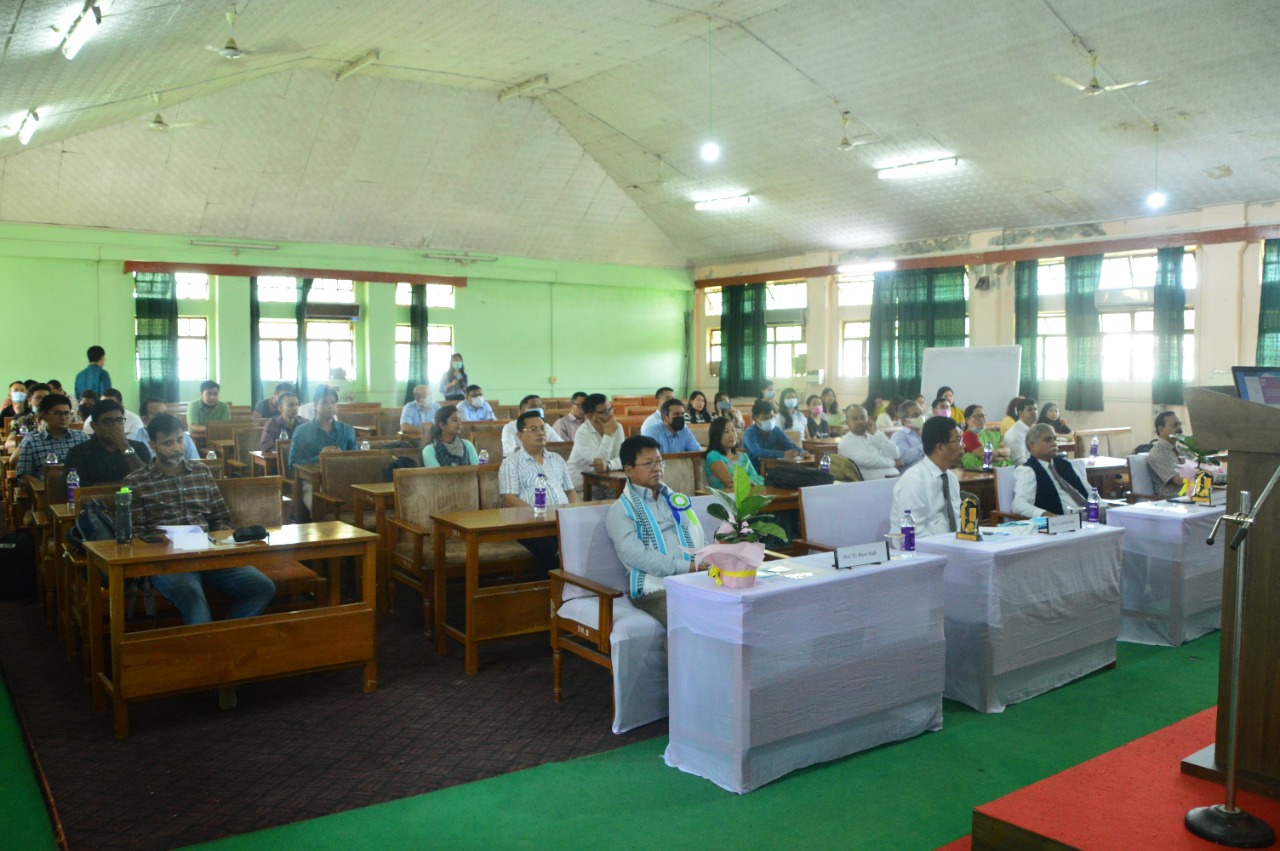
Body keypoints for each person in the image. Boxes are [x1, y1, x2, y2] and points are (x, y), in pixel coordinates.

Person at [126, 412, 276, 709]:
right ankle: (215, 677)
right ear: (153, 446)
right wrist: (164, 542)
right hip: (168, 561)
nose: (176, 448)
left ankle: (221, 649)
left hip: (209, 553)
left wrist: (221, 537)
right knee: (195, 600)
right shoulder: (136, 482)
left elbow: (220, 516)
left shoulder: (200, 472)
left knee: (262, 587)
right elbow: (136, 535)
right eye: (167, 443)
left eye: (179, 440)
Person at [606, 435, 706, 626]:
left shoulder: (675, 499)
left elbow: (697, 535)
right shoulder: (621, 510)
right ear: (629, 470)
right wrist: (686, 567)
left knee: (731, 607)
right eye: (648, 463)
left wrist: (710, 558)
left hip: (693, 576)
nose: (657, 468)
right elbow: (637, 556)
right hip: (655, 588)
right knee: (690, 618)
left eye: (659, 461)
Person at [499, 410, 578, 576]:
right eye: (533, 429)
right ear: (520, 436)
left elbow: (570, 491)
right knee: (549, 548)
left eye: (543, 428)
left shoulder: (557, 459)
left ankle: (581, 586)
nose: (540, 432)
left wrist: (575, 514)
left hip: (561, 521)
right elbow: (509, 498)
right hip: (529, 526)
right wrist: (537, 516)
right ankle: (551, 589)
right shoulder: (511, 462)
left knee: (585, 539)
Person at [890, 416, 964, 537]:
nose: (963, 445)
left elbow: (957, 519)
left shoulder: (950, 477)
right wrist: (945, 545)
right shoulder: (914, 480)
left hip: (951, 542)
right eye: (958, 440)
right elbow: (912, 534)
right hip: (922, 546)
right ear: (940, 447)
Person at [63, 398, 152, 485]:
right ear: (94, 426)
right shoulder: (78, 453)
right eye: (108, 421)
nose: (115, 426)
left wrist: (125, 446)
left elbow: (147, 480)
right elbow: (76, 488)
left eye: (119, 420)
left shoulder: (138, 447)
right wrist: (119, 485)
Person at [1012, 423, 1089, 518]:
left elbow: (1089, 491)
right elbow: (1019, 505)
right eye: (1048, 440)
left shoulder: (1065, 465)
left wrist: (1101, 507)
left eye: (1054, 439)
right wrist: (1045, 514)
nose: (1054, 444)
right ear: (1032, 445)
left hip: (1090, 516)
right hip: (1063, 521)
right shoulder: (1028, 470)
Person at [16, 394, 88, 480]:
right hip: (45, 487)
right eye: (57, 413)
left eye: (66, 413)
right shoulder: (32, 443)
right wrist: (41, 486)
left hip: (79, 486)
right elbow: (23, 475)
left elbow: (93, 466)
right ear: (44, 415)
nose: (63, 417)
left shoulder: (81, 438)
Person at [567, 393, 625, 491]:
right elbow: (598, 464)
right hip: (580, 488)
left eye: (610, 409)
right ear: (590, 416)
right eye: (605, 411)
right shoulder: (582, 433)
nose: (611, 414)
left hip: (607, 484)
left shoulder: (617, 427)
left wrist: (608, 465)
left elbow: (622, 459)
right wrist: (608, 435)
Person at [288, 386, 357, 467]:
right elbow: (293, 464)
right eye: (324, 402)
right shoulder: (302, 431)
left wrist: (341, 457)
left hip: (342, 473)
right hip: (313, 474)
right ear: (315, 406)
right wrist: (321, 457)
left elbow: (357, 459)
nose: (330, 406)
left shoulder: (347, 430)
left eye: (333, 403)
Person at [837, 404, 901, 479]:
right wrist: (893, 462)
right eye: (855, 419)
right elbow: (869, 461)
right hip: (873, 482)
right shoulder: (845, 443)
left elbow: (895, 454)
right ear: (847, 422)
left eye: (863, 417)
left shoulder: (875, 435)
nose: (860, 421)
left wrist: (876, 433)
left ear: (868, 419)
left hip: (895, 477)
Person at [741, 399, 808, 468]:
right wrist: (783, 454)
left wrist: (801, 452)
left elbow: (789, 445)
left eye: (771, 417)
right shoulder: (750, 432)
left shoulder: (776, 430)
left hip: (772, 468)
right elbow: (757, 452)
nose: (769, 420)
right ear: (755, 419)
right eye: (765, 418)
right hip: (752, 470)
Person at [705, 417, 763, 489]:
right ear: (716, 436)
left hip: (750, 493)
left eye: (733, 430)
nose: (732, 435)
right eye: (726, 432)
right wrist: (750, 481)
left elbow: (758, 479)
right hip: (726, 495)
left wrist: (747, 481)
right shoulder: (713, 455)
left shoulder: (743, 456)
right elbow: (731, 484)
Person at [134, 398, 201, 461]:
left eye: (165, 413)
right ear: (145, 420)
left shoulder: (182, 435)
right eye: (159, 415)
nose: (164, 417)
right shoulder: (134, 439)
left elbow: (195, 461)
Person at [1147, 411, 1191, 498]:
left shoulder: (1181, 450)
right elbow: (1179, 480)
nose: (1179, 428)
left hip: (1191, 494)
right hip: (1172, 499)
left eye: (1180, 424)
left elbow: (1198, 468)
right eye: (1175, 425)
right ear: (1161, 430)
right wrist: (1202, 472)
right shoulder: (1157, 452)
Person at [960, 405, 1012, 469]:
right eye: (977, 416)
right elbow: (987, 456)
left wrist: (997, 452)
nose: (982, 419)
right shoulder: (968, 436)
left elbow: (1008, 451)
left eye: (983, 416)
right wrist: (1003, 457)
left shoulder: (994, 434)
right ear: (967, 420)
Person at [890, 400, 926, 470]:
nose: (921, 417)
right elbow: (903, 458)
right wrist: (926, 447)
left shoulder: (926, 433)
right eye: (916, 415)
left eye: (922, 414)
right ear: (904, 421)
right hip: (912, 473)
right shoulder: (899, 436)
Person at [1004, 397, 1039, 466]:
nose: (1034, 412)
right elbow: (1020, 461)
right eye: (1030, 410)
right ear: (1021, 413)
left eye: (1035, 409)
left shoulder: (1034, 429)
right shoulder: (1015, 433)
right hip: (1023, 469)